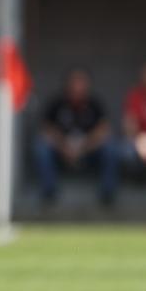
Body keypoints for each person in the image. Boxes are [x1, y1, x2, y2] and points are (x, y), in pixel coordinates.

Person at [33, 68, 117, 204]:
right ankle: (49, 191)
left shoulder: (94, 104)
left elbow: (104, 130)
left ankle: (107, 193)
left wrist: (82, 148)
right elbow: (46, 129)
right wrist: (64, 148)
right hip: (62, 153)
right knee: (41, 147)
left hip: (88, 152)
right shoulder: (57, 104)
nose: (77, 86)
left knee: (110, 147)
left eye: (81, 82)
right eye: (74, 82)